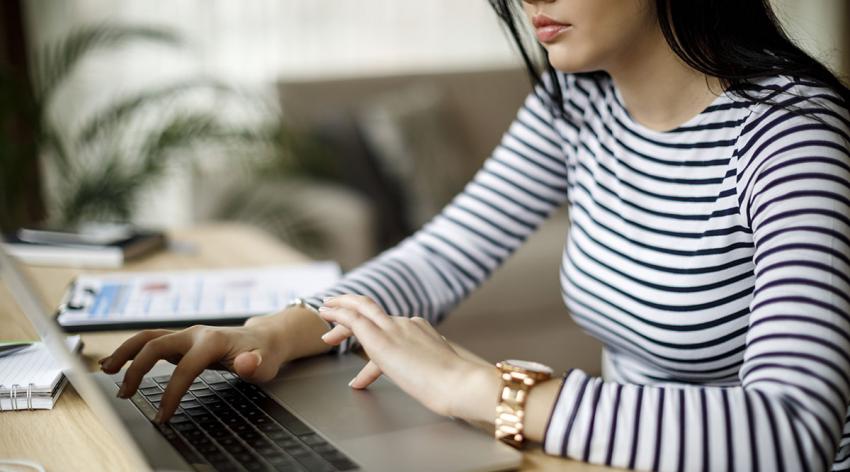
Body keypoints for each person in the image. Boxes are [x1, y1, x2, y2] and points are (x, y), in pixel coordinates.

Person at [100, 0, 850, 470]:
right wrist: (275, 330)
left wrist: (483, 389)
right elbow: (439, 256)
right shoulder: (578, 102)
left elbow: (790, 430)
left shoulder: (794, 139)